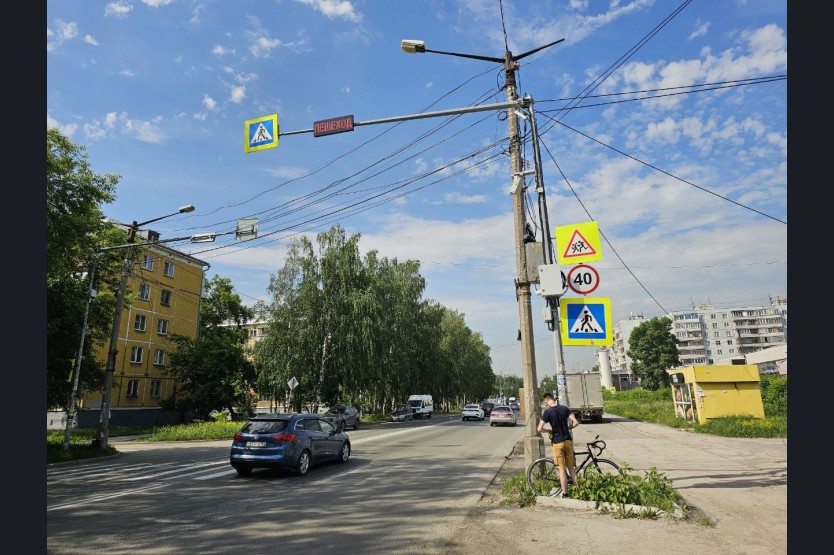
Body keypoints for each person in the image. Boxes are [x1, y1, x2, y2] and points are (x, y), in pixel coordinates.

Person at [536, 393, 580, 498]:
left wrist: (547, 430)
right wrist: (568, 428)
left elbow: (539, 429)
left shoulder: (547, 412)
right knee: (571, 468)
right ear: (554, 399)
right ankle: (579, 491)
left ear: (546, 401)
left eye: (545, 402)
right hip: (568, 441)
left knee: (561, 469)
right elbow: (576, 422)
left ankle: (565, 494)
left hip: (557, 442)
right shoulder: (565, 408)